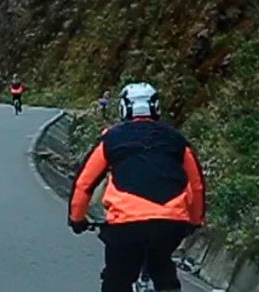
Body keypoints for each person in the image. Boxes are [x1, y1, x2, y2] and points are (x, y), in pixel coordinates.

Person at [67, 82, 206, 292]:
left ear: (124, 108)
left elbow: (84, 183)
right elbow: (196, 186)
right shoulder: (177, 140)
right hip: (170, 222)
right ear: (156, 107)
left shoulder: (111, 139)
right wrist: (194, 221)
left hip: (126, 224)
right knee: (162, 265)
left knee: (117, 279)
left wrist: (77, 218)